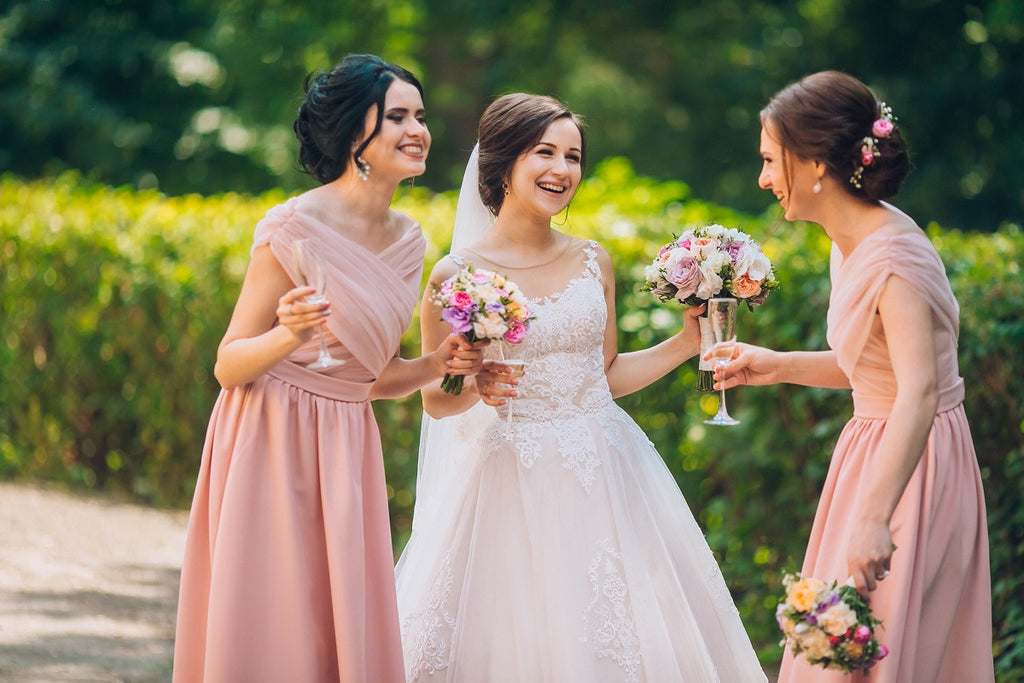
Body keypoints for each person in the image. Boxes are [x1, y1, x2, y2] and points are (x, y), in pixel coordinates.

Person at [394, 93, 767, 682]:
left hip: (608, 467)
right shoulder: (456, 275)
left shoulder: (594, 259)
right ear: (503, 163)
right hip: (512, 476)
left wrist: (686, 341)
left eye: (573, 156)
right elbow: (438, 402)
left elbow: (605, 376)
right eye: (544, 153)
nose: (562, 170)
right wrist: (476, 379)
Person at [172, 54, 483, 682]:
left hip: (346, 442)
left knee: (333, 622)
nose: (417, 129)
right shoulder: (294, 226)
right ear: (353, 136)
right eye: (397, 115)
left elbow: (372, 378)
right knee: (274, 616)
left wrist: (437, 363)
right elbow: (229, 365)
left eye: (420, 115)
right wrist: (287, 335)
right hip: (269, 436)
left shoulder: (409, 241)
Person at [715, 70, 994, 682]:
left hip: (910, 466)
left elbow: (918, 390)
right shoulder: (849, 240)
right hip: (875, 451)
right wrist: (776, 365)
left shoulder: (890, 255)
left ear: (815, 163)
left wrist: (874, 513)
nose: (763, 179)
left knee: (870, 656)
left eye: (769, 161)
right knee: (840, 654)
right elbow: (873, 370)